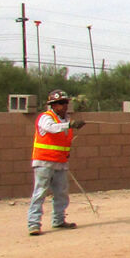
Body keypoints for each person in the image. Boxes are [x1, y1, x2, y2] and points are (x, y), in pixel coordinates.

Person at [27, 89, 85, 236]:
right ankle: (34, 224)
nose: (64, 105)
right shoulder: (45, 118)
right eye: (60, 103)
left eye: (65, 102)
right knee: (40, 193)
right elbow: (51, 129)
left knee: (61, 193)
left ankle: (58, 220)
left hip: (60, 162)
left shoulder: (66, 120)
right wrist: (70, 125)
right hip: (44, 162)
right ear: (53, 105)